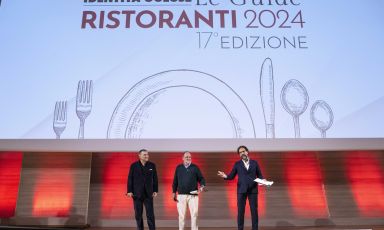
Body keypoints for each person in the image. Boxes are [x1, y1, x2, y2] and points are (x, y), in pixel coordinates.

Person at [217, 146, 266, 230]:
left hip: (253, 190)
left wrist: (263, 181)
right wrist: (225, 176)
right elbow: (231, 176)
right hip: (241, 191)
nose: (242, 153)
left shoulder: (255, 163)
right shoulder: (237, 164)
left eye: (243, 151)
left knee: (254, 212)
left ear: (247, 152)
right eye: (240, 152)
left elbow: (260, 176)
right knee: (240, 212)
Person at [172, 151, 206, 230]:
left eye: (189, 157)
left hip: (193, 195)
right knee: (181, 216)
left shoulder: (195, 167)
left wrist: (202, 186)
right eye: (186, 157)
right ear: (183, 158)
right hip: (181, 196)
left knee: (194, 215)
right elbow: (175, 181)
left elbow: (201, 179)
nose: (188, 158)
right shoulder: (179, 167)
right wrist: (174, 192)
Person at [126, 149, 158, 230]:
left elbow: (155, 179)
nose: (147, 156)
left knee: (150, 215)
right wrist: (129, 191)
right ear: (139, 155)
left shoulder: (152, 165)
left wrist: (155, 190)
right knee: (138, 215)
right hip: (137, 194)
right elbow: (130, 179)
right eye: (145, 155)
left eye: (147, 154)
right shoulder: (134, 165)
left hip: (148, 194)